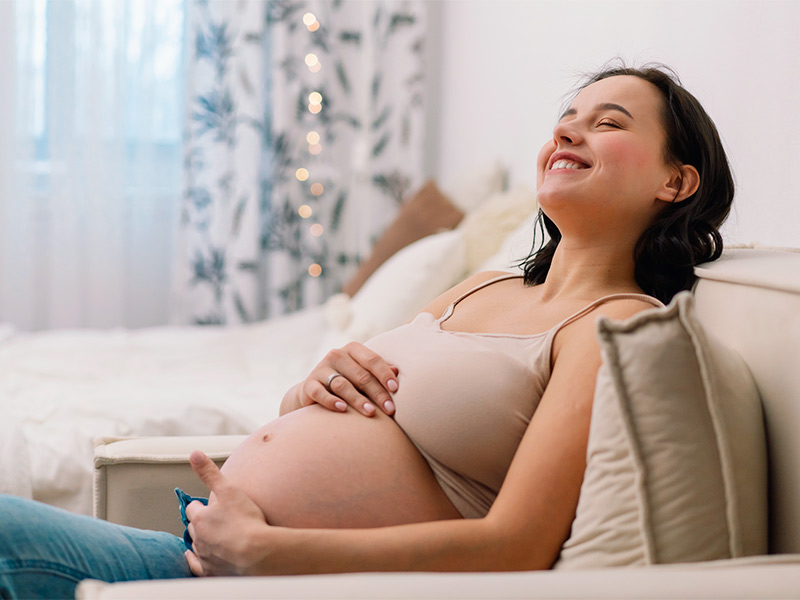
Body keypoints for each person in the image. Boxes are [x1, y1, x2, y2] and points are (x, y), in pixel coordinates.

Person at [0, 63, 734, 598]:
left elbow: (516, 544)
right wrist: (307, 388)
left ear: (677, 182)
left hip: (272, 578)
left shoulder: (617, 327)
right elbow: (359, 416)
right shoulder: (488, 283)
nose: (570, 128)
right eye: (568, 118)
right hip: (212, 554)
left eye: (608, 122)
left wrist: (265, 552)